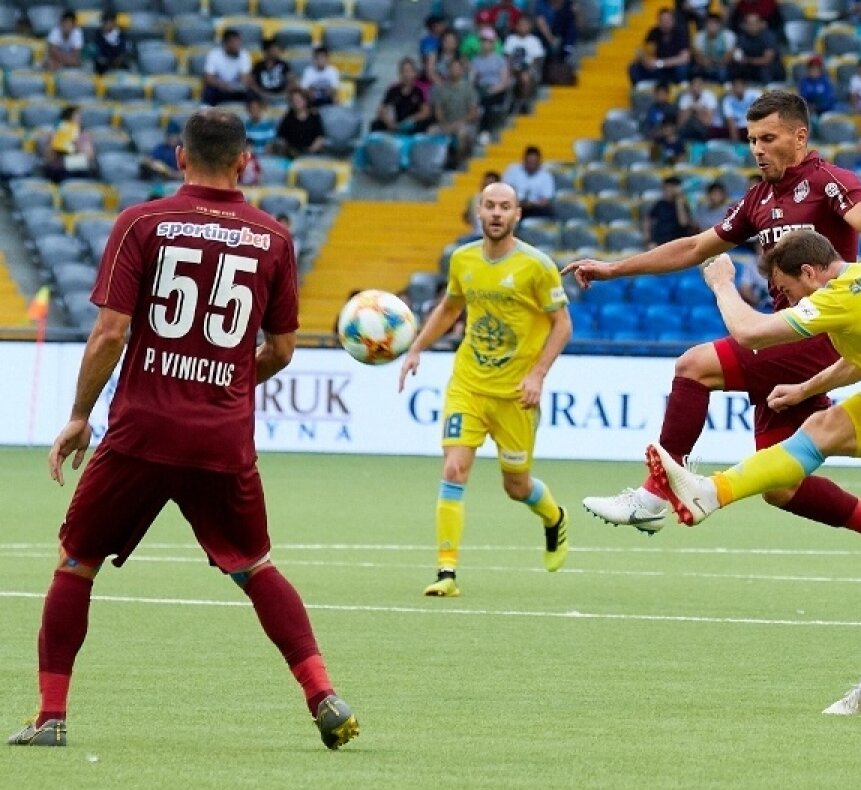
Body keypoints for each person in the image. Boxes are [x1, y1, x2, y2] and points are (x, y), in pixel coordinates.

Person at [7, 108, 358, 749]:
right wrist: (222, 381)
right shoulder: (274, 238)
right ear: (245, 161)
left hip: (143, 430)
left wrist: (81, 415)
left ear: (180, 158)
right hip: (222, 438)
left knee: (76, 563)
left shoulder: (141, 223)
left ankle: (51, 716)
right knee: (256, 567)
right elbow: (281, 350)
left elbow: (111, 332)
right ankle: (323, 694)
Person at [644, 229, 861, 715]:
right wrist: (803, 386)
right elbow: (860, 357)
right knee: (823, 425)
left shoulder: (840, 296)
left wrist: (723, 282)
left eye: (788, 292)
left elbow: (749, 335)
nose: (788, 300)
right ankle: (710, 492)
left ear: (810, 272)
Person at [565, 90, 861, 548]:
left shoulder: (828, 181)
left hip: (819, 332)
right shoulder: (758, 198)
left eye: (768, 137)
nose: (757, 148)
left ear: (799, 137)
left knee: (693, 366)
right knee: (781, 485)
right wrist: (615, 268)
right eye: (751, 139)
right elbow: (695, 248)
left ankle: (655, 494)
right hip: (784, 332)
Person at [398, 182, 572, 598]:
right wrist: (416, 348)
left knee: (516, 486)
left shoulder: (536, 265)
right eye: (490, 206)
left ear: (517, 215)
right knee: (454, 468)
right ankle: (447, 572)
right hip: (469, 385)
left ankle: (553, 517)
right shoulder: (462, 259)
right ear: (479, 211)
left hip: (516, 394)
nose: (497, 213)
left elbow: (562, 324)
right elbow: (449, 307)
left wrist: (537, 375)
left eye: (505, 207)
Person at [431, 57, 481, 168]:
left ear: (462, 70)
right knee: (431, 132)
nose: (454, 70)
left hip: (465, 124)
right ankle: (435, 163)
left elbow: (473, 112)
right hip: (446, 124)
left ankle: (457, 162)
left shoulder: (469, 89)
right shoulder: (441, 89)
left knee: (462, 133)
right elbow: (438, 110)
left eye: (457, 68)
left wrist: (458, 123)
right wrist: (444, 124)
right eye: (452, 68)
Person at [629, 7, 692, 84]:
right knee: (634, 67)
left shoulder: (680, 33)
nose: (665, 23)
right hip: (658, 69)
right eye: (662, 21)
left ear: (673, 21)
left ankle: (679, 87)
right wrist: (646, 60)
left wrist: (661, 63)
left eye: (667, 20)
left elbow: (685, 58)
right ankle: (641, 87)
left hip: (673, 67)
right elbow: (642, 51)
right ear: (658, 21)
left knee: (682, 68)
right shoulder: (653, 33)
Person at [372, 57, 433, 134]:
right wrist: (388, 122)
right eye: (404, 71)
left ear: (414, 73)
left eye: (409, 71)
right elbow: (381, 110)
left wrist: (412, 119)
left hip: (413, 123)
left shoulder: (419, 90)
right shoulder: (393, 89)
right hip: (398, 123)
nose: (406, 74)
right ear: (400, 73)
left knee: (425, 124)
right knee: (375, 124)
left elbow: (426, 112)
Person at [472, 28, 513, 137]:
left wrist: (493, 89)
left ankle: (485, 131)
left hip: (497, 90)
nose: (485, 44)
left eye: (488, 41)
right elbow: (472, 79)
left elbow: (504, 81)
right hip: (481, 89)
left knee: (487, 102)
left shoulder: (500, 60)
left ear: (493, 43)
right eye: (483, 41)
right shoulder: (475, 60)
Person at [504, 14, 546, 114]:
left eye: (525, 25)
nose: (523, 27)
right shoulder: (511, 39)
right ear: (516, 26)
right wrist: (511, 67)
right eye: (521, 24)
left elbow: (537, 59)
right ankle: (508, 104)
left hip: (529, 68)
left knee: (525, 77)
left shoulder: (534, 41)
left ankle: (523, 103)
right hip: (512, 68)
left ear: (530, 26)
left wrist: (526, 67)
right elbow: (507, 57)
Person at [203, 29, 255, 106]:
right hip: (220, 89)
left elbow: (245, 78)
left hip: (237, 90)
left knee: (252, 93)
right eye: (234, 43)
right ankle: (204, 112)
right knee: (209, 91)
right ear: (226, 43)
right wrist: (221, 85)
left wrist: (237, 86)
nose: (238, 45)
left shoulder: (244, 55)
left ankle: (255, 116)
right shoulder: (214, 54)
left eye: (239, 42)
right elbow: (208, 78)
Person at [43, 106, 94, 183]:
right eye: (76, 116)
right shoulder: (55, 132)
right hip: (59, 168)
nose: (79, 119)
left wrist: (77, 144)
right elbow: (48, 158)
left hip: (78, 167)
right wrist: (53, 142)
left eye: (80, 117)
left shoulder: (83, 134)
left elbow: (89, 156)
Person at [501, 145, 555, 217]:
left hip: (535, 208)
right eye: (529, 162)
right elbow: (504, 189)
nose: (532, 165)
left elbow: (546, 200)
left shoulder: (546, 176)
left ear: (539, 162)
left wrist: (532, 204)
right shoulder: (513, 170)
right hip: (514, 205)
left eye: (534, 163)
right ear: (524, 160)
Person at [730, 12, 784, 84]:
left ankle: (767, 89)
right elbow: (737, 54)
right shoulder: (742, 37)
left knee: (764, 70)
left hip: (770, 68)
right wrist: (737, 58)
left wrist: (748, 60)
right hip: (750, 66)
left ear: (761, 24)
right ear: (745, 25)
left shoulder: (769, 37)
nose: (752, 26)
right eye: (749, 24)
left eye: (754, 23)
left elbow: (767, 60)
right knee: (735, 68)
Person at [273, 88, 326, 157]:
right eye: (294, 100)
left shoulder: (314, 116)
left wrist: (311, 150)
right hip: (293, 154)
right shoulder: (288, 118)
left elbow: (320, 137)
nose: (297, 102)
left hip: (312, 153)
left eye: (299, 99)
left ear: (305, 100)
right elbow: (281, 137)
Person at [644, 175, 696, 245]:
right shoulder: (660, 204)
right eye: (664, 189)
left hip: (677, 242)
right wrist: (649, 239)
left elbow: (683, 223)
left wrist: (679, 201)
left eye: (669, 189)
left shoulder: (682, 204)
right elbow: (648, 219)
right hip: (659, 242)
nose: (666, 192)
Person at [691, 12, 736, 82]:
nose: (711, 26)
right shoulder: (699, 36)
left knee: (723, 72)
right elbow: (698, 55)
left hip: (722, 65)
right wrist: (706, 63)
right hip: (705, 64)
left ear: (719, 25)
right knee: (695, 70)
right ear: (705, 25)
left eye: (714, 23)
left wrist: (718, 64)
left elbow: (729, 56)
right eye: (709, 23)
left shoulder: (728, 35)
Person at [677, 75, 724, 141]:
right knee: (682, 131)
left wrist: (698, 110)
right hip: (691, 127)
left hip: (709, 128)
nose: (696, 88)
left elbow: (708, 122)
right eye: (694, 85)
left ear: (702, 86)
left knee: (703, 128)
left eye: (699, 85)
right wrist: (691, 109)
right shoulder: (685, 97)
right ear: (690, 86)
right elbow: (680, 123)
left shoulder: (710, 96)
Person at [721, 76, 762, 141]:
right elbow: (730, 121)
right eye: (735, 86)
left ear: (745, 86)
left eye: (739, 86)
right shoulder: (727, 100)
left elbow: (762, 115)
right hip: (739, 130)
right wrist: (736, 140)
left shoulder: (755, 95)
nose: (737, 89)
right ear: (732, 87)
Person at [91, 11, 130, 75]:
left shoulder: (121, 35)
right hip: (102, 65)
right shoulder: (97, 35)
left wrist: (118, 59)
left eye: (110, 22)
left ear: (114, 23)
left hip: (118, 63)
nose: (107, 24)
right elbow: (95, 50)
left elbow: (124, 50)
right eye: (105, 22)